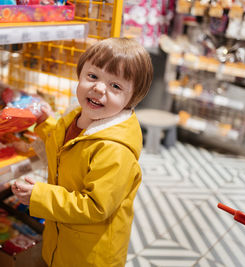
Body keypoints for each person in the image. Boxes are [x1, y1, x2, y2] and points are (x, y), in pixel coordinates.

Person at [12, 37, 153, 267]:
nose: (98, 88)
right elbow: (65, 148)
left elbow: (96, 206)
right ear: (80, 74)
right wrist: (45, 124)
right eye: (93, 76)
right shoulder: (76, 117)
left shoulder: (115, 150)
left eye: (115, 86)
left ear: (131, 99)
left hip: (90, 256)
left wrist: (38, 197)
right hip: (61, 241)